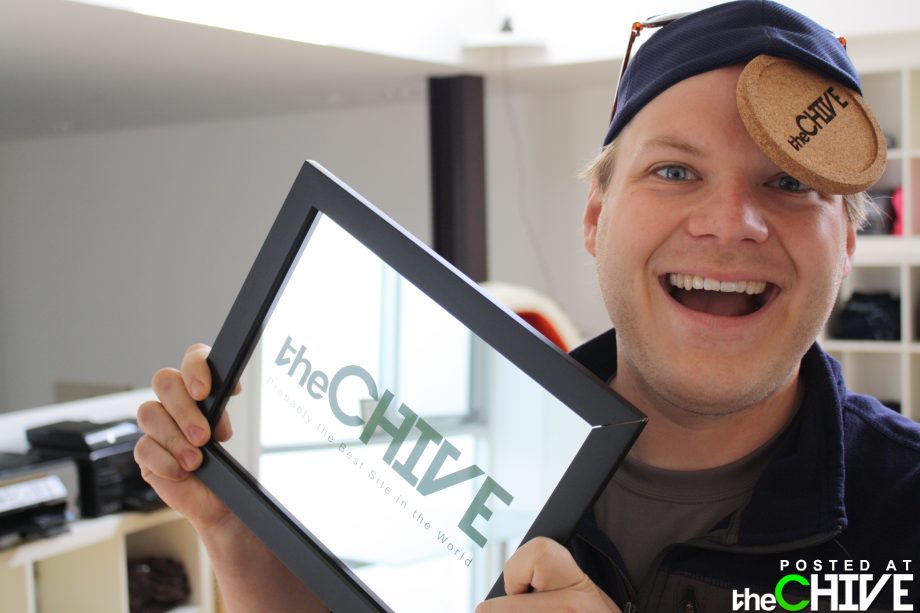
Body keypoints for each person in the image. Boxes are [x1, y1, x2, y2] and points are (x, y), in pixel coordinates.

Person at [135, 1, 920, 611]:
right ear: (595, 217)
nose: (729, 222)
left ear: (848, 245)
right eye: (676, 172)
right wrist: (241, 538)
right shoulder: (442, 467)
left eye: (789, 183)